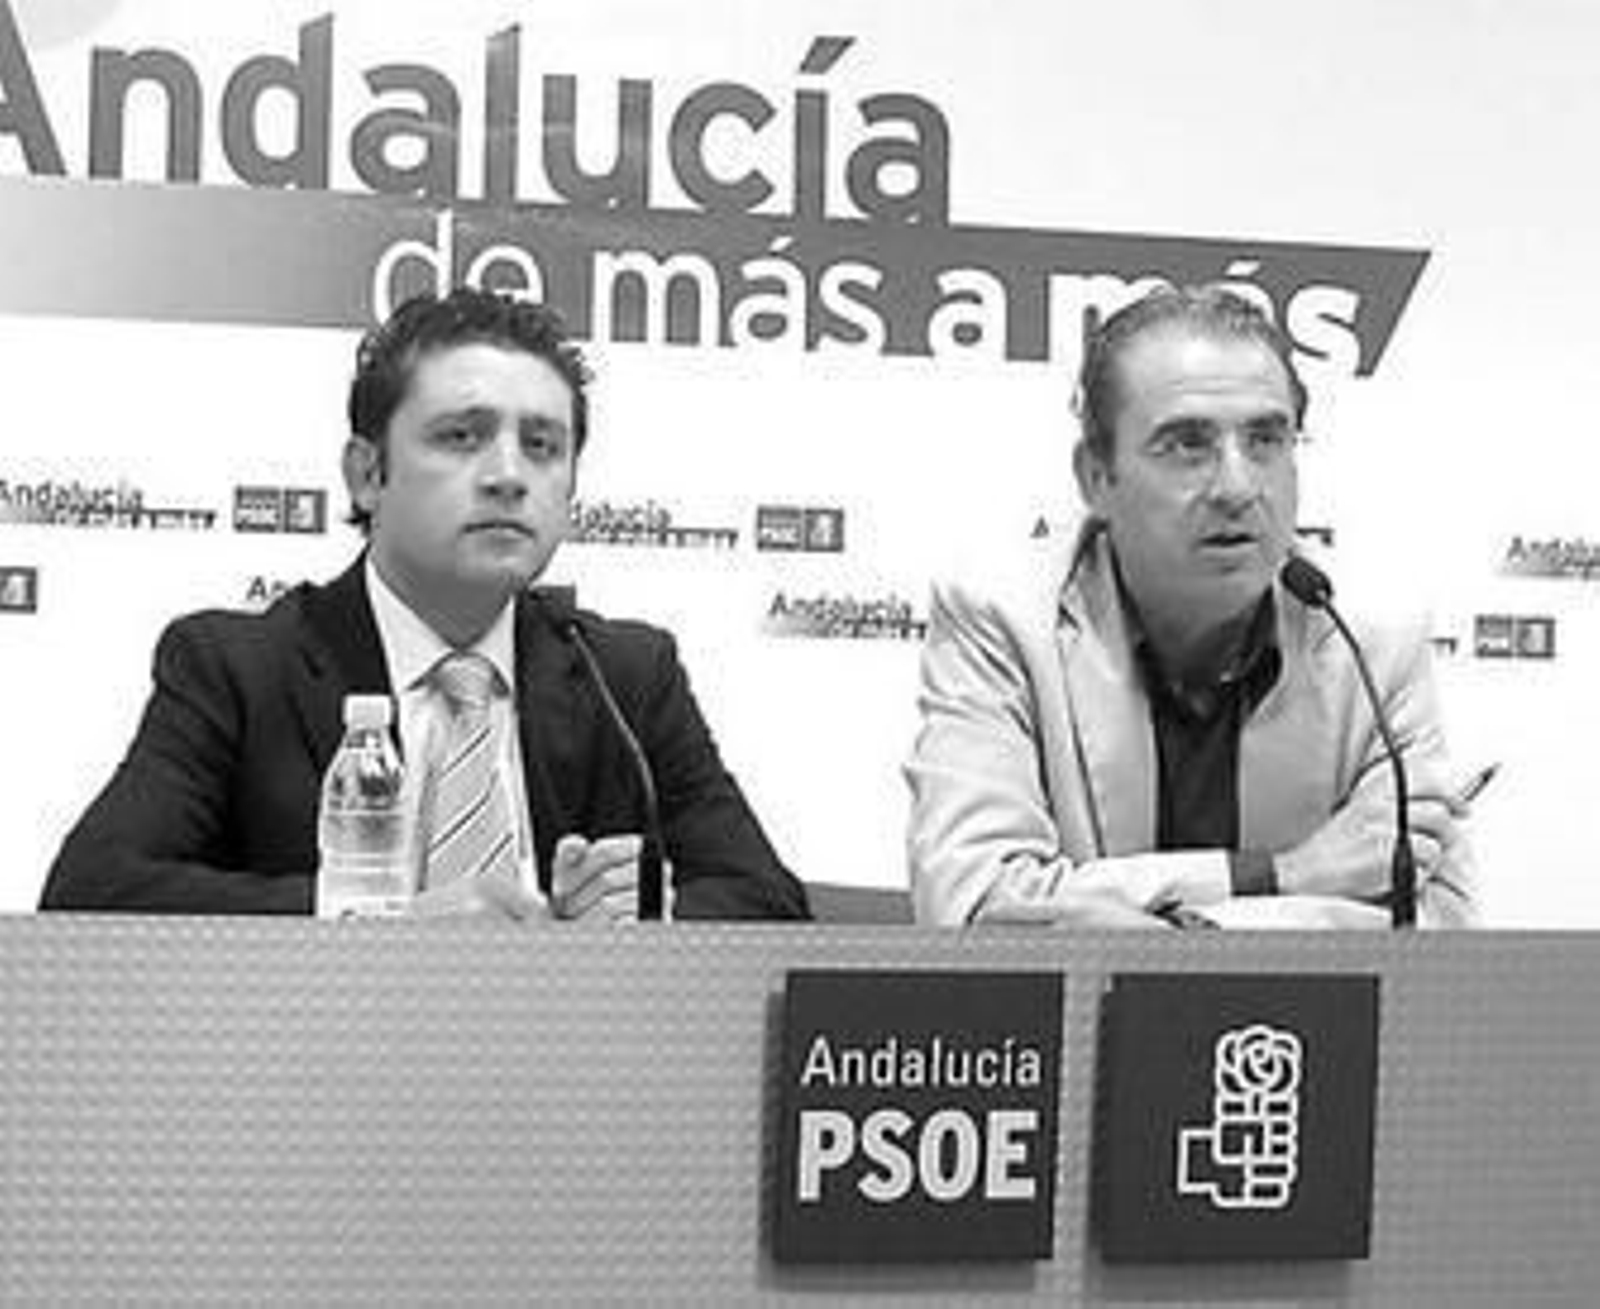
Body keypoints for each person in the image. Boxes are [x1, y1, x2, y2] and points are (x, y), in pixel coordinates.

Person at [41, 288, 809, 922]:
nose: (508, 475)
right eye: (461, 437)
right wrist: (385, 920)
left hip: (568, 1060)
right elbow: (93, 890)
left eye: (542, 445)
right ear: (367, 474)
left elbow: (770, 901)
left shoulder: (625, 675)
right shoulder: (238, 668)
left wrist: (650, 912)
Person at [906, 285, 1474, 930]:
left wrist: (1189, 928)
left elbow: (1435, 930)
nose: (1237, 486)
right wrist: (1291, 875)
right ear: (1096, 477)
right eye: (1187, 445)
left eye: (1266, 439)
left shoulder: (1372, 633)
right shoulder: (1002, 615)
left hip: (1270, 1007)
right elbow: (976, 905)